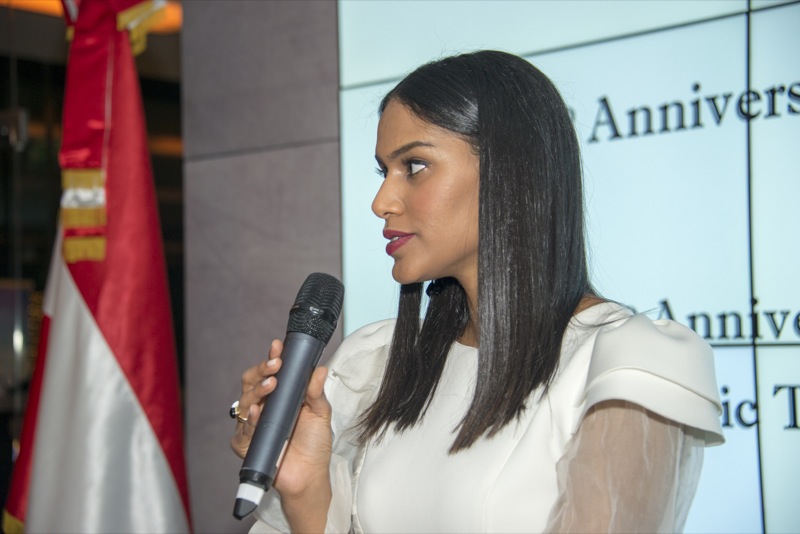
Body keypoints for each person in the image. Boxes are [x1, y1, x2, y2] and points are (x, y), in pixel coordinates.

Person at [230, 50, 724, 533]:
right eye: (384, 171)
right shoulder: (374, 361)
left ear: (511, 172)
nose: (382, 202)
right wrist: (304, 492)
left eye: (415, 166)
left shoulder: (625, 366)